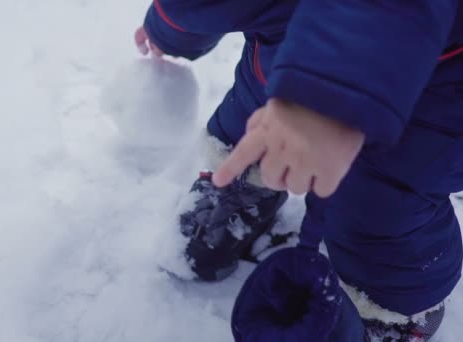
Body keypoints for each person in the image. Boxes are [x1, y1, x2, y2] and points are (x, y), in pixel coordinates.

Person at [135, 0, 463, 340]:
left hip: (441, 82)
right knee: (255, 117)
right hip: (291, 40)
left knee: (381, 200)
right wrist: (171, 23)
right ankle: (251, 183)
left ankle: (394, 301)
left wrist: (330, 90)